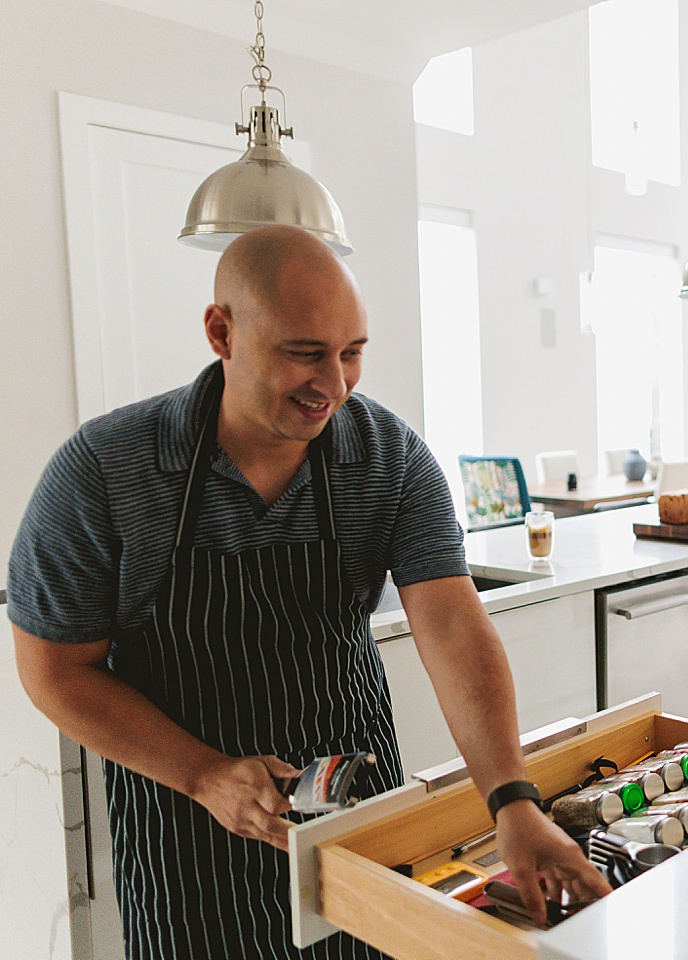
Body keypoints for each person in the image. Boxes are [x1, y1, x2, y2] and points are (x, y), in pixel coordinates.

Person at [7, 225, 609, 959]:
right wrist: (205, 775)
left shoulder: (388, 459)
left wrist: (511, 800)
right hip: (185, 839)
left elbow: (452, 625)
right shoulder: (106, 471)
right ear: (221, 332)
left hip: (354, 829)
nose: (335, 384)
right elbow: (54, 671)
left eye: (352, 352)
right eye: (304, 353)